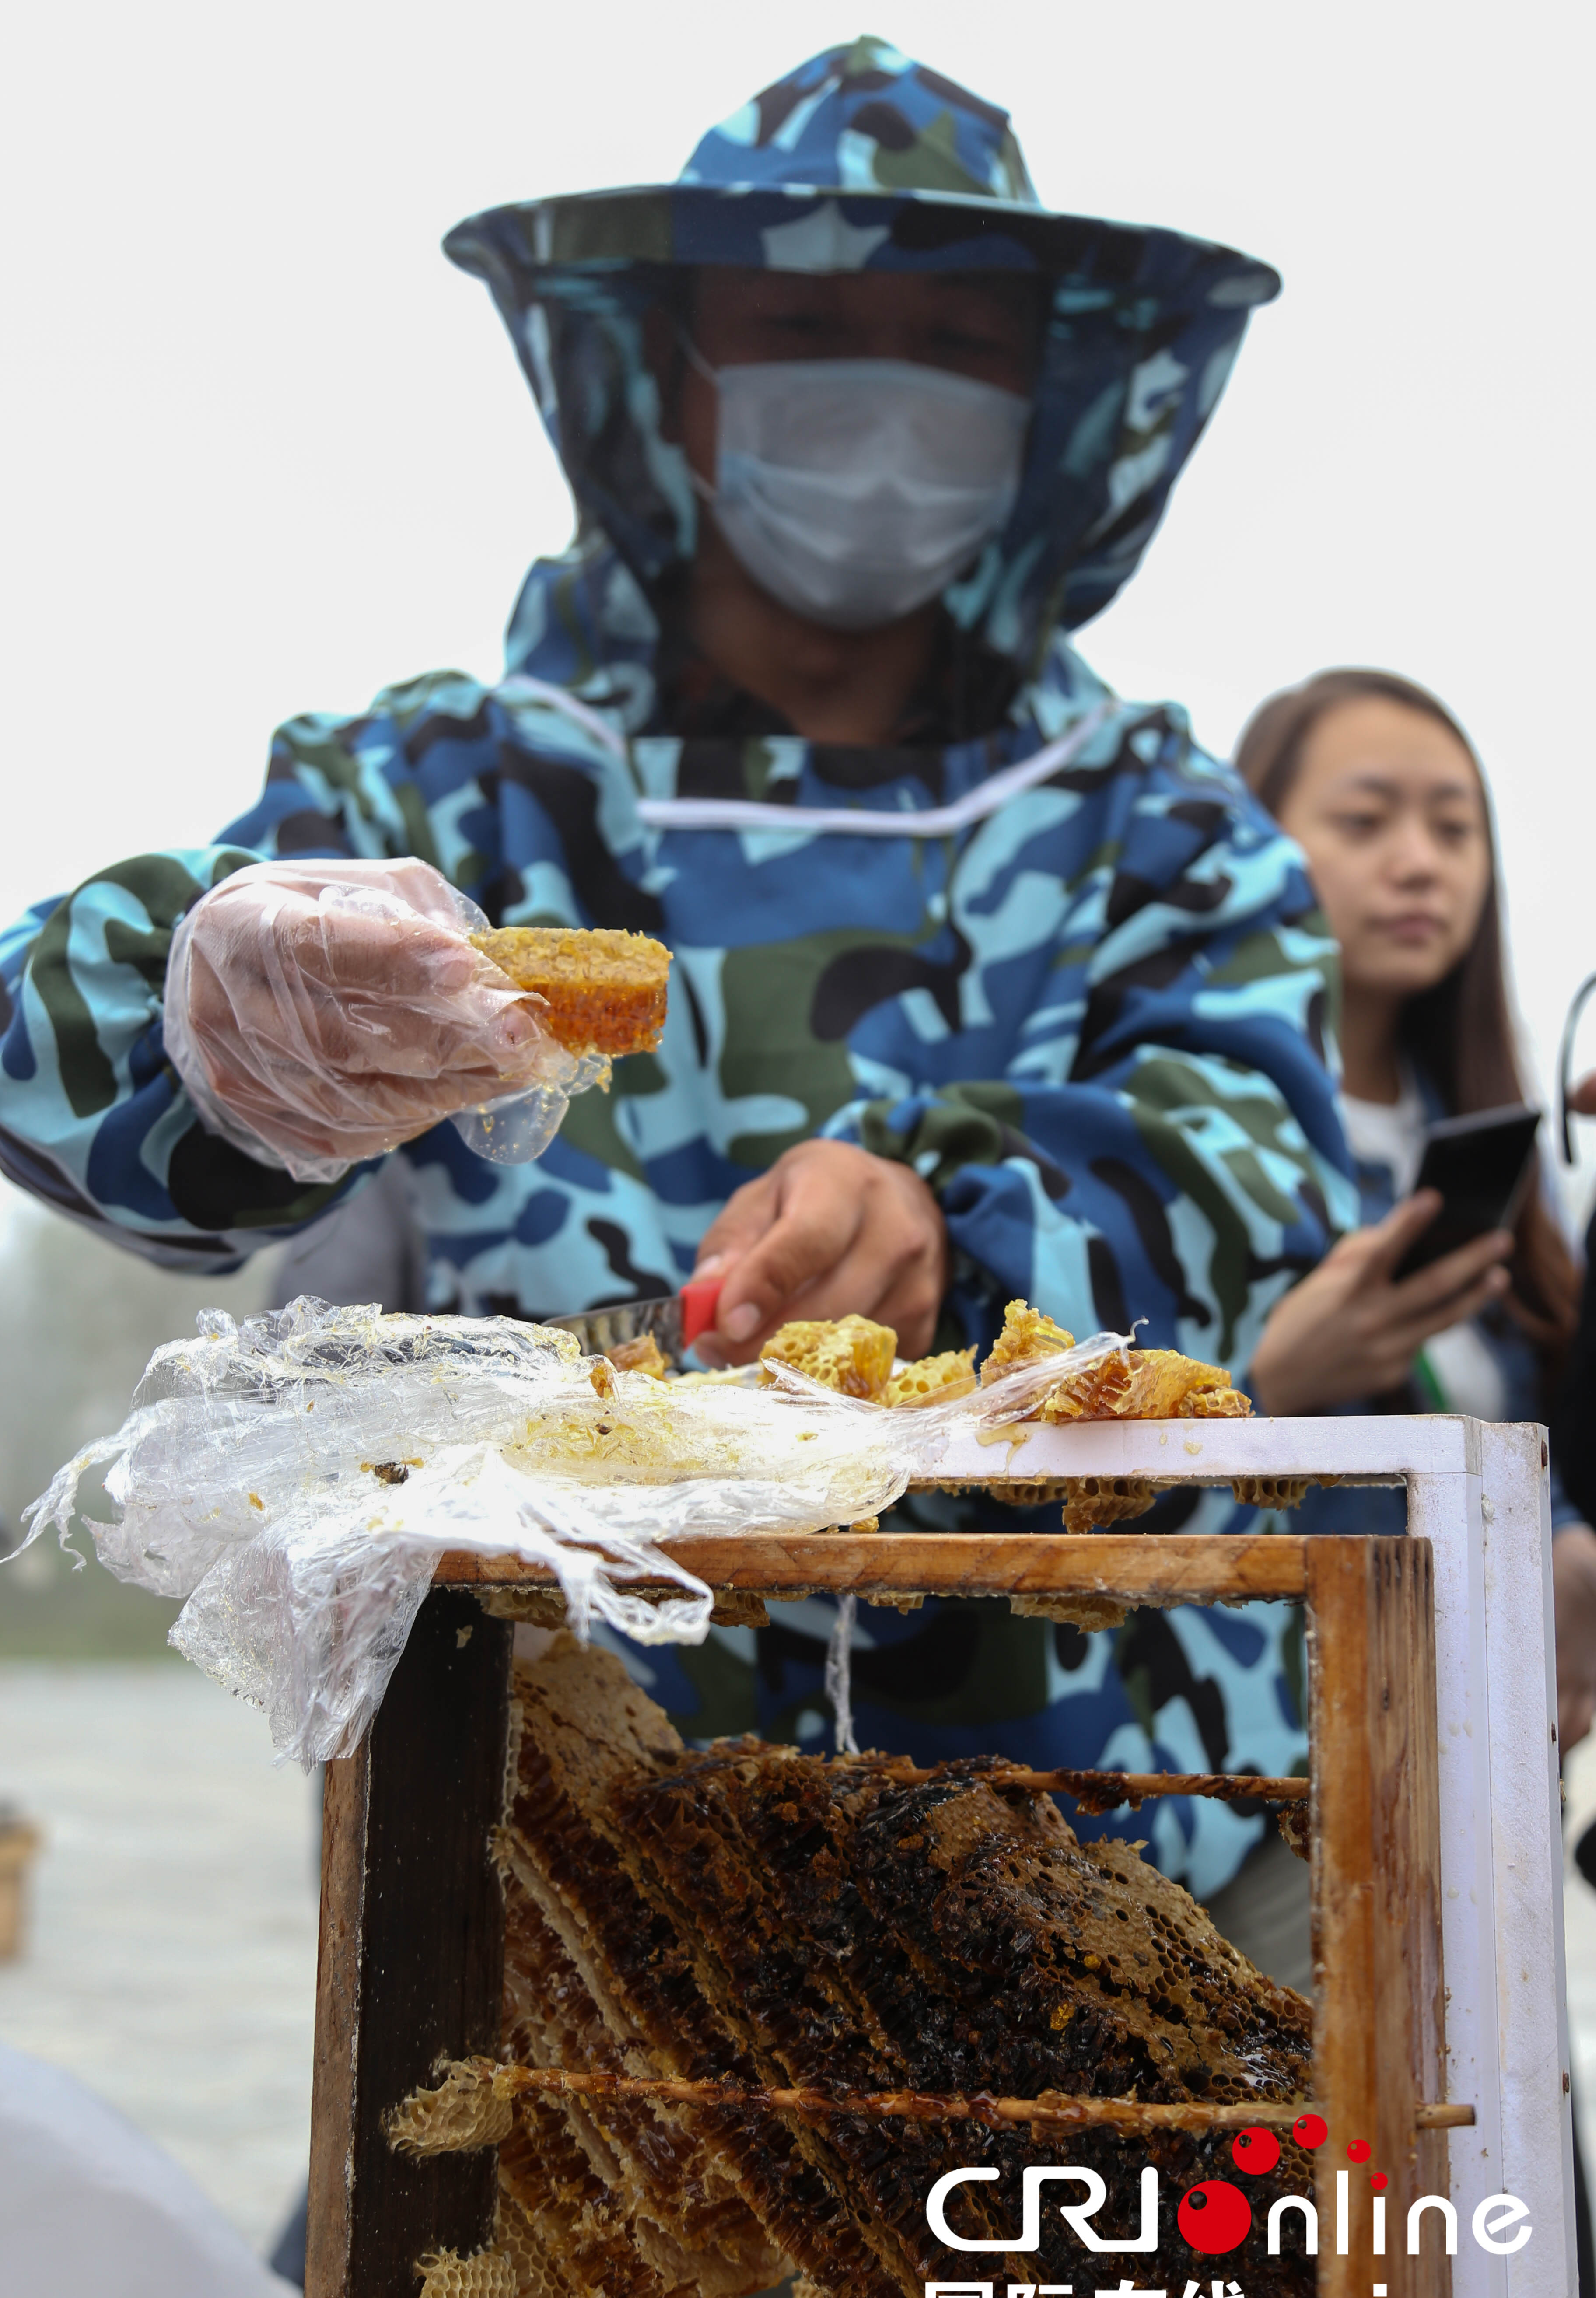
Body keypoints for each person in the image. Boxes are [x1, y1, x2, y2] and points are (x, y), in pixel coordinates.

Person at [0, 43, 1351, 1912]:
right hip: (542, 1889)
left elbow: (1248, 1193)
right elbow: (45, 1066)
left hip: (1110, 1868)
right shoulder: (445, 789)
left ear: (1053, 400)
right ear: (672, 375)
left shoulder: (1170, 834)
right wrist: (206, 1035)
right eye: (805, 325)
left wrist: (945, 1238)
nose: (885, 398)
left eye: (956, 345)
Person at [1194, 666, 1594, 1989]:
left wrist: (1572, 1564)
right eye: (1367, 821)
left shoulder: (1489, 1143)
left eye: (1455, 824)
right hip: (1275, 1799)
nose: (1419, 862)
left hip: (1492, 1777)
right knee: (1340, 2189)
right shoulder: (1181, 1136)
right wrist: (1269, 1392)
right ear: (1256, 843)